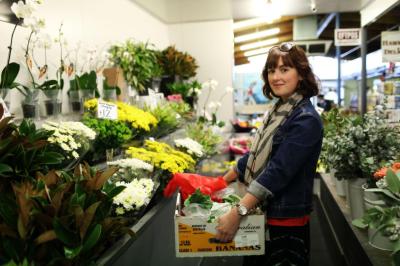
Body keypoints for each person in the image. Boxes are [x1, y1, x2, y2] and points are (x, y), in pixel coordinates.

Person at [215, 42, 323, 266]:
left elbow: (278, 171)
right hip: (264, 210)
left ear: (301, 74)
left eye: (285, 69)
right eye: (272, 70)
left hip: (285, 219)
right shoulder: (277, 111)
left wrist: (237, 213)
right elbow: (254, 156)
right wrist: (219, 183)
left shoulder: (305, 119)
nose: (276, 76)